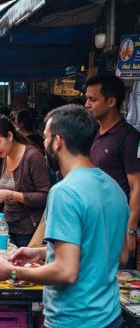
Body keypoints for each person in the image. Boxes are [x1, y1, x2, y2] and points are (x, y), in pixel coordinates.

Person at [0, 105, 129, 328]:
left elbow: (66, 271)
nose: (44, 144)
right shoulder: (115, 188)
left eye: (46, 138)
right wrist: (41, 252)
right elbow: (118, 254)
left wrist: (12, 271)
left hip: (74, 319)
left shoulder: (64, 192)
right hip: (110, 316)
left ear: (58, 141)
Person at [0, 115, 51, 247]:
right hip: (5, 227)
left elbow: (45, 197)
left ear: (10, 136)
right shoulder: (2, 156)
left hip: (29, 231)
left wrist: (10, 195)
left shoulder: (33, 157)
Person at [86, 74, 140, 268]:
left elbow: (137, 186)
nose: (87, 104)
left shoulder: (129, 137)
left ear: (111, 102)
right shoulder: (93, 133)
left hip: (116, 231)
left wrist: (130, 231)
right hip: (94, 226)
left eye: (92, 99)